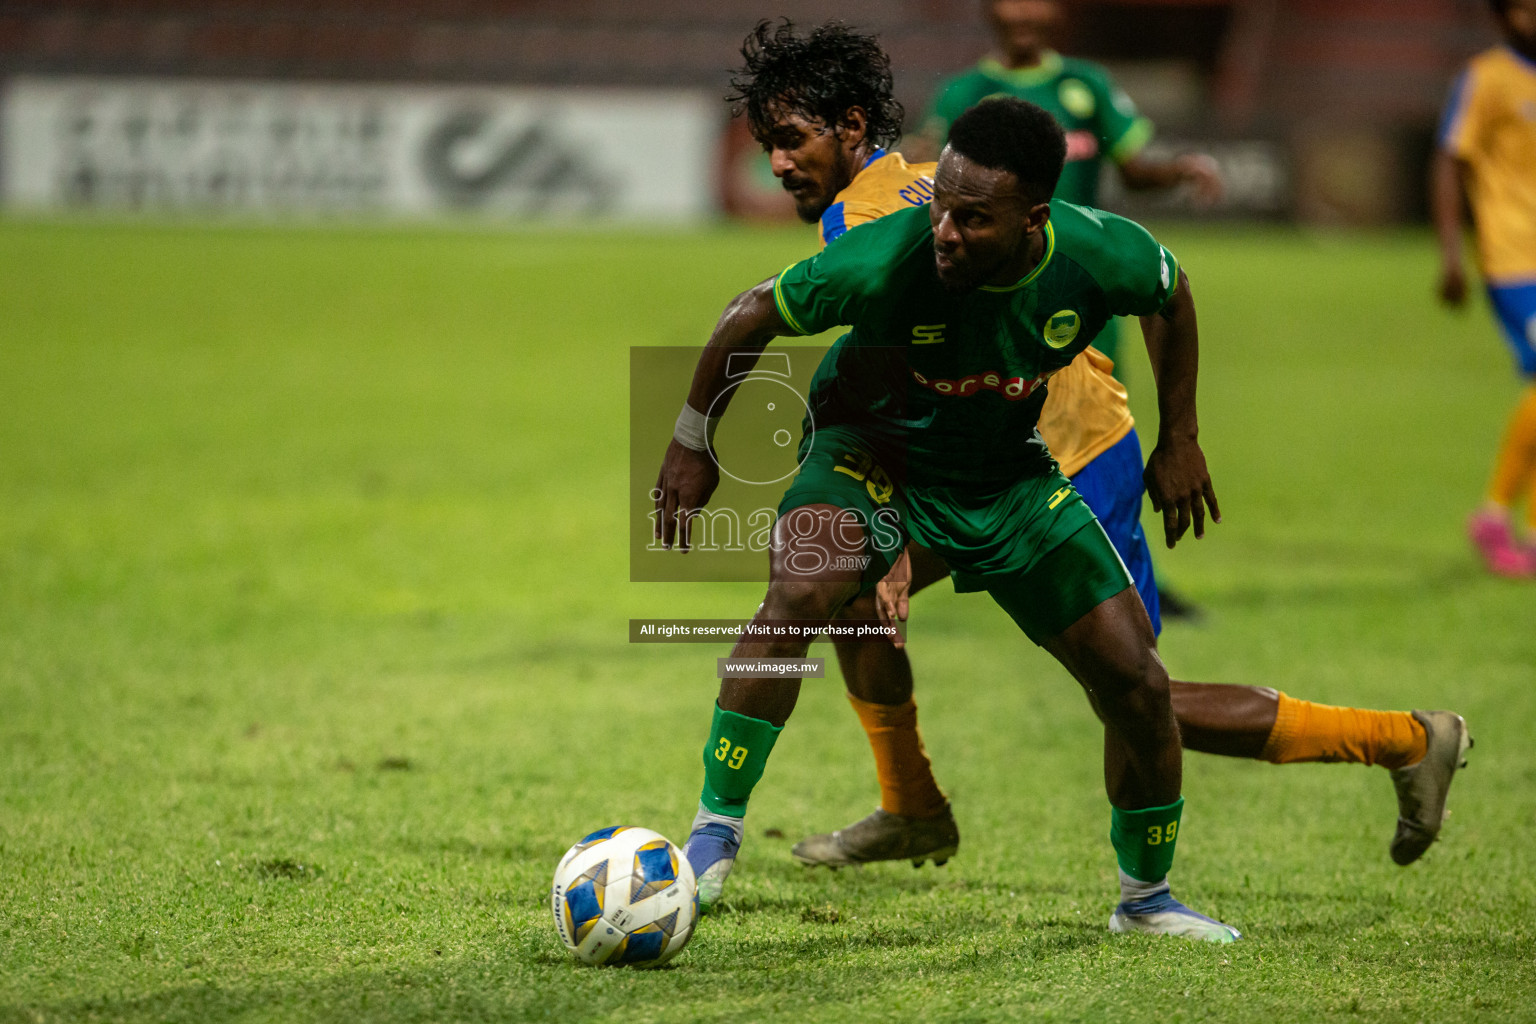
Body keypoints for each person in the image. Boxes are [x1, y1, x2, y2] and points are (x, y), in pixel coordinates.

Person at [721, 20, 1470, 880]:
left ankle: (1405, 740)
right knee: (852, 603)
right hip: (990, 449)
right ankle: (913, 806)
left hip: (1068, 448)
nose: (779, 164)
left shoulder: (869, 216)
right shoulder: (922, 181)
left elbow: (1143, 285)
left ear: (849, 129)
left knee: (1135, 694)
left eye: (790, 141)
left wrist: (1178, 438)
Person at [1435, 0, 1536, 577]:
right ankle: (1494, 515)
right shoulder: (1486, 78)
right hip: (1513, 259)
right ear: (1509, 15)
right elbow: (1449, 159)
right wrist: (1451, 253)